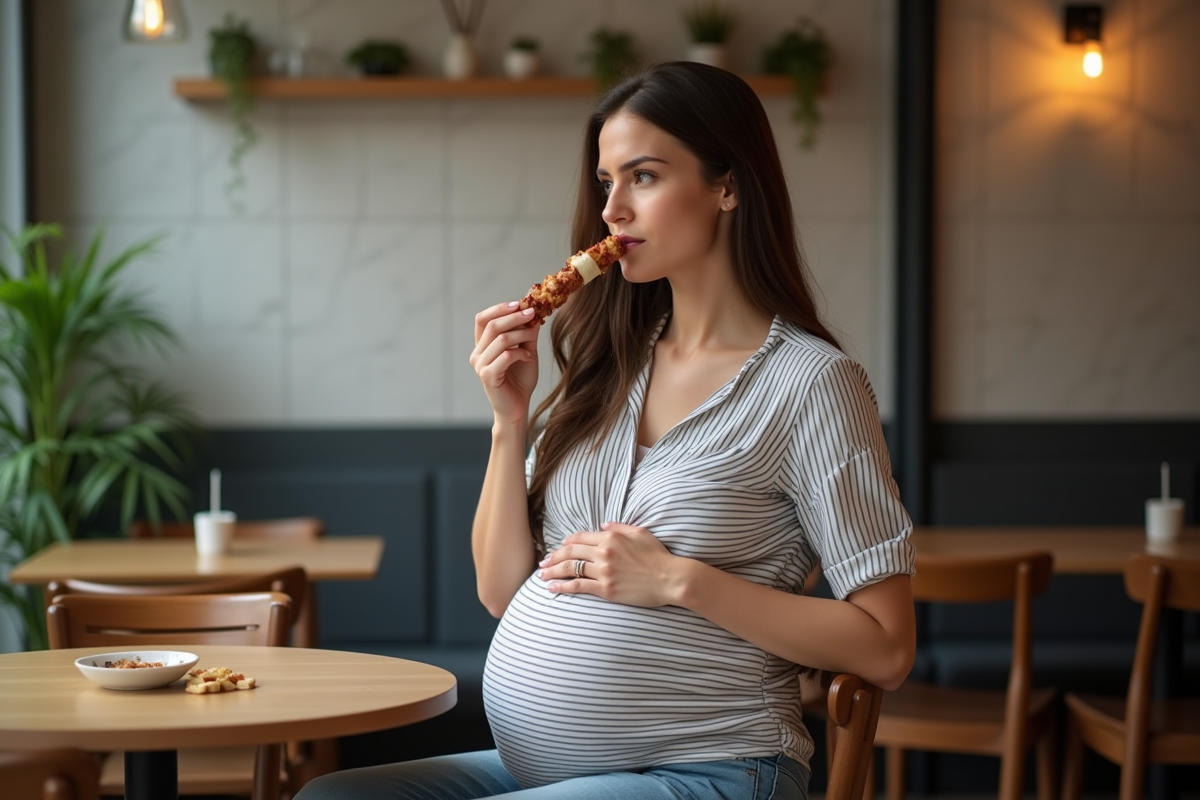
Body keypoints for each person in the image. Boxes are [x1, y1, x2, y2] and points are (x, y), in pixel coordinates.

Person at [296, 61, 915, 800]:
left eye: (644, 177)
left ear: (727, 186)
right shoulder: (609, 364)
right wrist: (508, 419)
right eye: (605, 182)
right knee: (328, 798)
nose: (612, 210)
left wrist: (678, 581)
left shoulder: (813, 384)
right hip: (547, 774)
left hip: (716, 769)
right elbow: (499, 591)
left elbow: (886, 647)